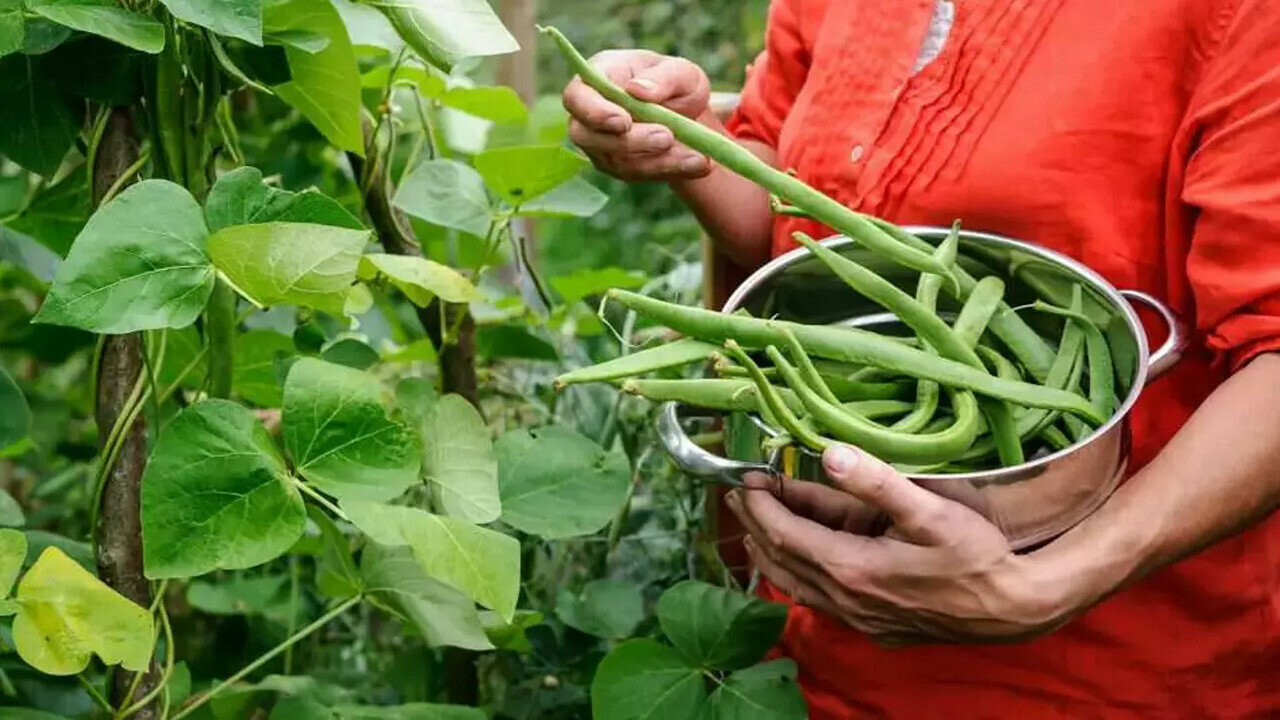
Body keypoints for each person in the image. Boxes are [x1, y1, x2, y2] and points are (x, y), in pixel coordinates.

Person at [561, 0, 1280, 717]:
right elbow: (795, 223)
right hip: (817, 639)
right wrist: (690, 142)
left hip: (1104, 668)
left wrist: (1055, 581)